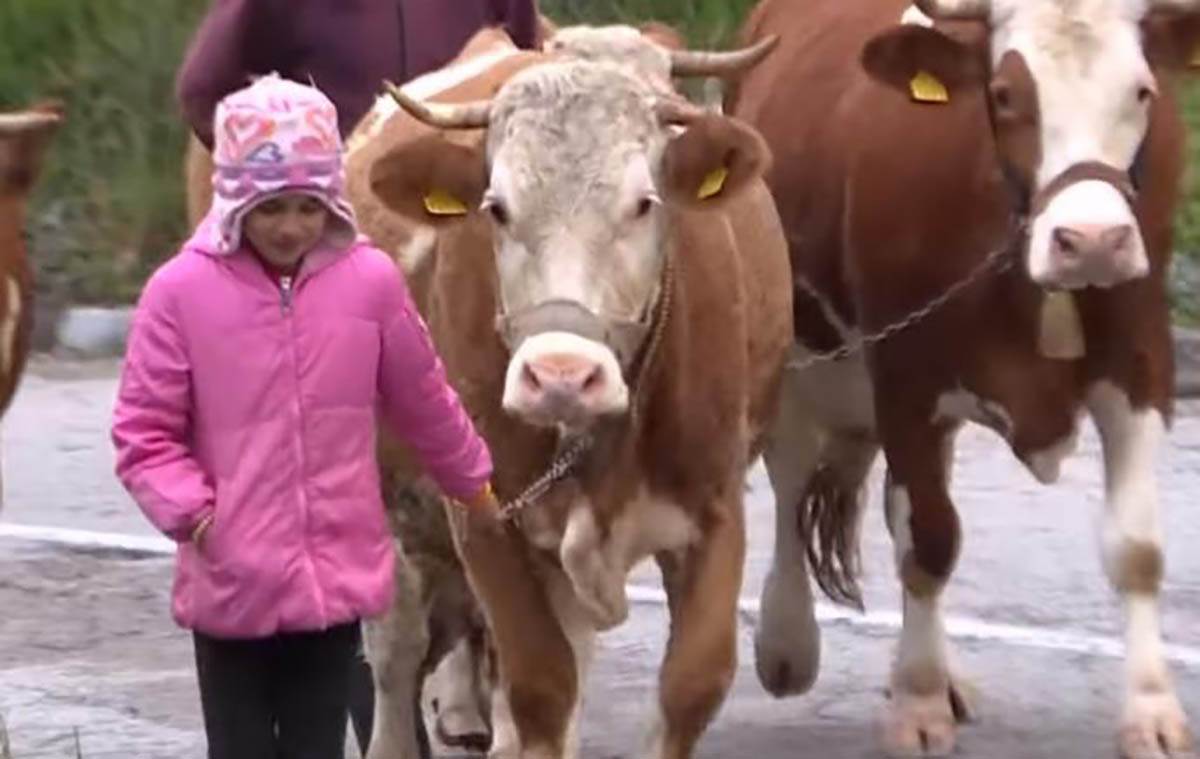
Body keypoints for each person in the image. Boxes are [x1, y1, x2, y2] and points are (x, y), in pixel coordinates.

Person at [111, 73, 498, 759]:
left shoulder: (370, 282)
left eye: (308, 206)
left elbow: (425, 397)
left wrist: (473, 480)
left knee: (316, 748)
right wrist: (198, 514)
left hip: (336, 580)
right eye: (271, 208)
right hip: (231, 585)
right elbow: (143, 435)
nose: (291, 226)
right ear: (234, 198)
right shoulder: (179, 293)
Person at [175, 0, 542, 149]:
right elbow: (205, 89)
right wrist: (286, 182)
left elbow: (525, 72)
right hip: (336, 226)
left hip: (455, 201)